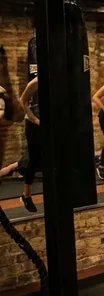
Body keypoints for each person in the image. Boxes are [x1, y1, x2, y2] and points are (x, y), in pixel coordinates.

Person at [16, 77, 40, 212]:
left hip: (48, 124)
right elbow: (22, 101)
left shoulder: (57, 79)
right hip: (33, 124)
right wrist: (35, 120)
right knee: (34, 159)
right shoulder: (35, 83)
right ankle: (26, 194)